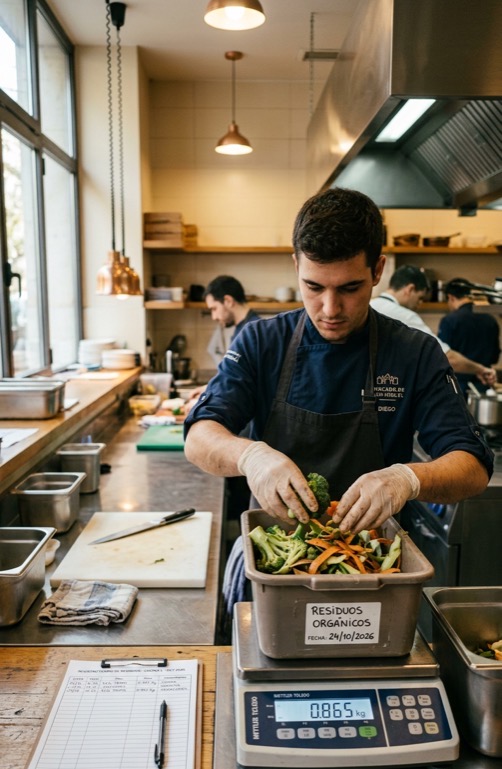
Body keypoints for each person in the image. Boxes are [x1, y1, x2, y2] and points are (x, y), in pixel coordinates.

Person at [184, 187, 493, 546]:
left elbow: (472, 466)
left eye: (350, 288)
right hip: (276, 553)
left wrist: (406, 479)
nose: (330, 309)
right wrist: (250, 456)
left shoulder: (414, 352)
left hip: (374, 559)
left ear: (377, 270)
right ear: (297, 266)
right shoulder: (261, 342)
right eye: (313, 286)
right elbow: (199, 436)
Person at [370, 266, 497, 390]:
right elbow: (444, 356)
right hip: (391, 389)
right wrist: (480, 369)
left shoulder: (369, 306)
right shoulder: (405, 316)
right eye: (420, 298)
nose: (419, 305)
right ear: (410, 289)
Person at [185, 275, 259, 412]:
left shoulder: (251, 332)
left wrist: (204, 401)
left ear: (228, 301)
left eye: (214, 309)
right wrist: (208, 388)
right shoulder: (242, 329)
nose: (214, 317)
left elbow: (241, 387)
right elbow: (235, 375)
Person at [438, 277, 501, 396]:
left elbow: (443, 358)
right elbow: (494, 357)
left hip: (456, 386)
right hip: (484, 385)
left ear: (450, 297)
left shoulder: (449, 320)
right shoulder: (491, 319)